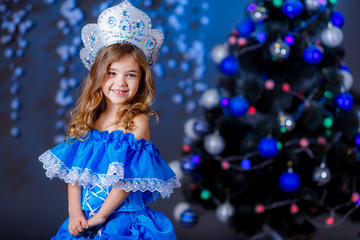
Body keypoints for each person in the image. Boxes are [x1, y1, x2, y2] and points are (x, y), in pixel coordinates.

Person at [38, 1, 180, 239]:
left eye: (130, 75)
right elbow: (75, 174)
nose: (121, 83)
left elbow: (127, 179)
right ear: (99, 75)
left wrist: (101, 216)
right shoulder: (90, 118)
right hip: (85, 216)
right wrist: (75, 213)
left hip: (121, 218)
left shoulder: (137, 122)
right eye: (112, 73)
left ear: (142, 80)